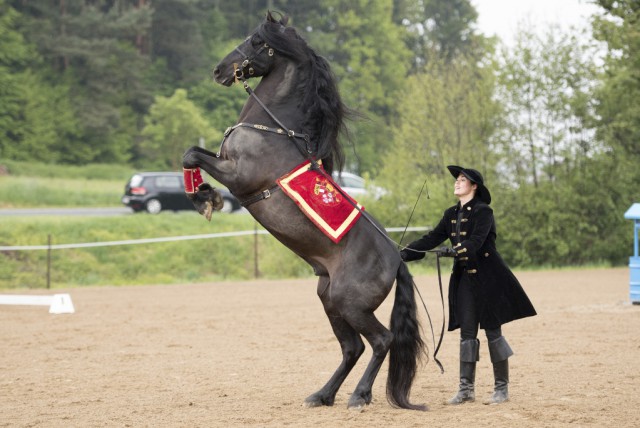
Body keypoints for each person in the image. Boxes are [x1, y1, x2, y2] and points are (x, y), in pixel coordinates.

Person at [400, 165, 536, 405]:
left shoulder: (484, 212)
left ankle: (501, 389)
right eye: (457, 179)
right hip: (464, 279)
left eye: (463, 180)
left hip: (489, 278)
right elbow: (432, 238)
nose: (457, 182)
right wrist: (404, 253)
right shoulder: (450, 213)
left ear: (474, 187)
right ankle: (466, 389)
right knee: (467, 334)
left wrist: (454, 250)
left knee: (494, 333)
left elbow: (476, 241)